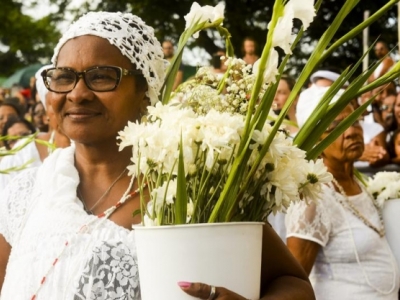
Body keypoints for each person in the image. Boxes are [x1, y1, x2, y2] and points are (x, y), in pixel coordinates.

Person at [0, 11, 314, 300]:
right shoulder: (23, 194)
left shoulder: (192, 191)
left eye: (101, 76)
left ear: (144, 93)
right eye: (64, 76)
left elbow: (295, 284)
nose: (78, 94)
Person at [286, 99, 400, 298]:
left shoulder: (359, 184)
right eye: (335, 127)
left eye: (354, 121)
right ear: (317, 142)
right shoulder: (313, 198)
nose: (351, 131)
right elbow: (292, 281)